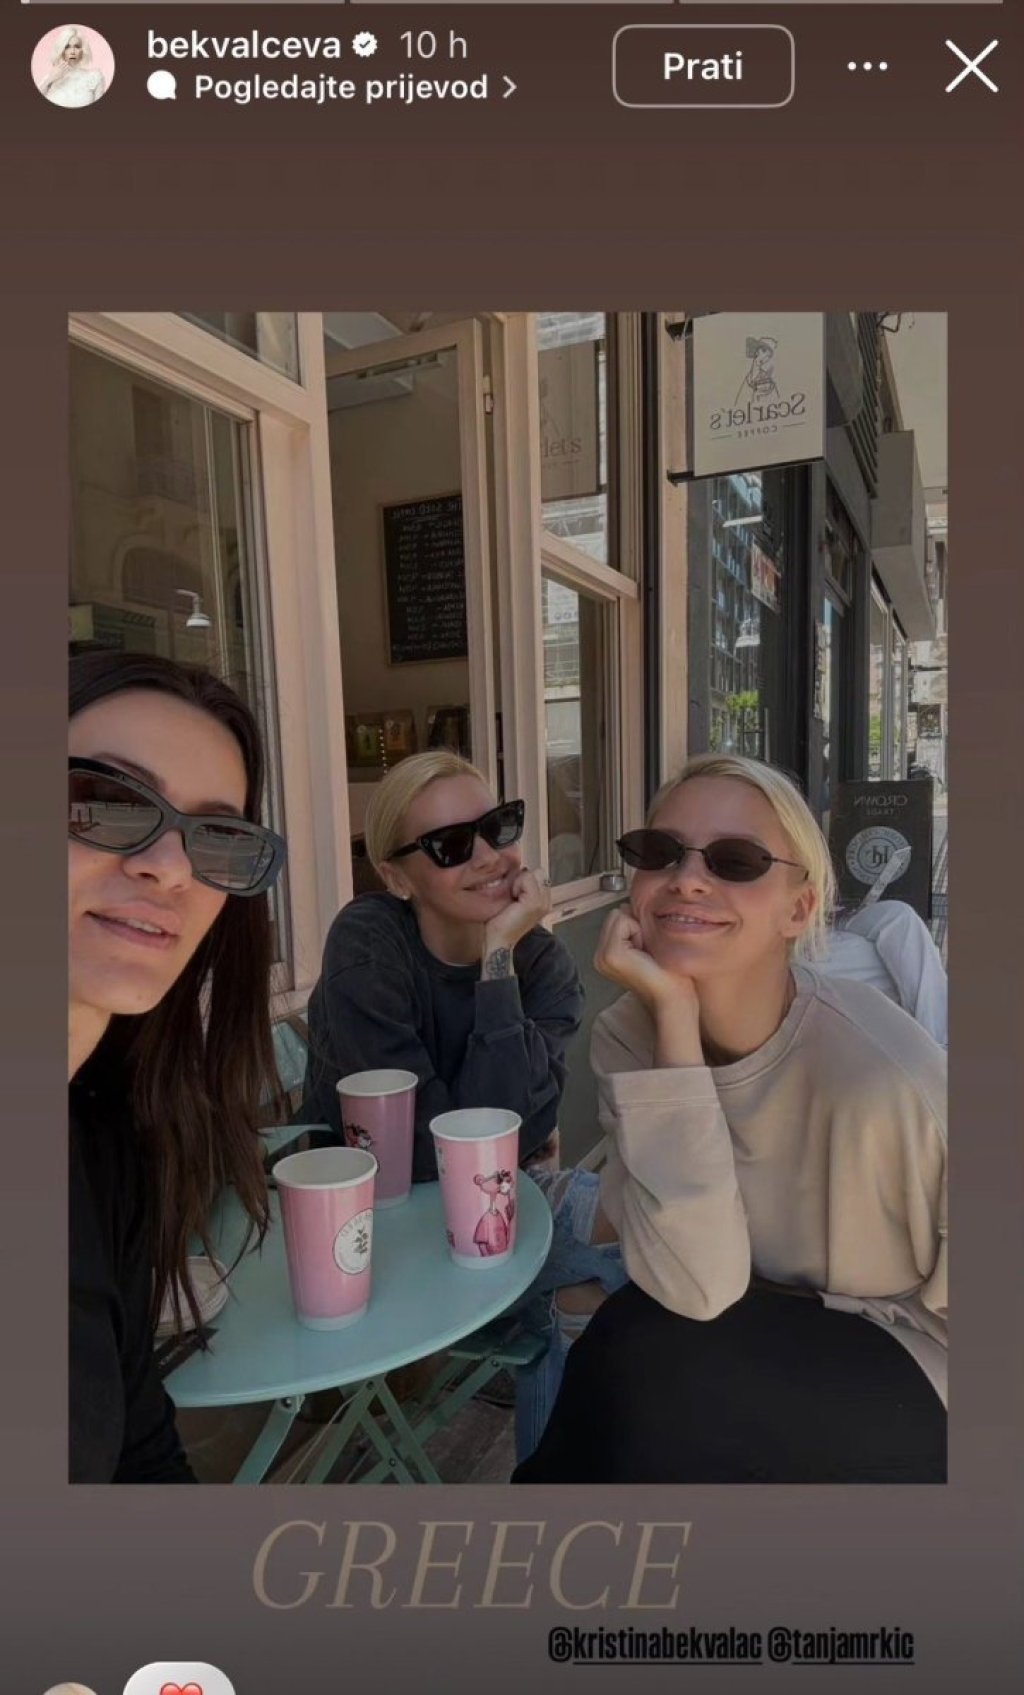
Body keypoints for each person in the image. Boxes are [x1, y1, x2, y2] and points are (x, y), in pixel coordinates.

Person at [514, 753, 946, 1483]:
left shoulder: (881, 1077)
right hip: (765, 1309)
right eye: (660, 852)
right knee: (623, 1340)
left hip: (922, 1353)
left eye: (736, 860)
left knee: (653, 1372)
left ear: (799, 910)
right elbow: (695, 1279)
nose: (687, 878)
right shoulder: (632, 1033)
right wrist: (675, 1020)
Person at [69, 651, 287, 1482]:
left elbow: (140, 1445)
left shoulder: (109, 1140)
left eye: (216, 835)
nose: (169, 866)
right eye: (104, 800)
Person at [303, 749, 584, 1178]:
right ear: (397, 878)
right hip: (362, 1205)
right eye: (451, 845)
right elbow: (411, 1151)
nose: (488, 856)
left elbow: (504, 1142)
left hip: (494, 1202)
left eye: (498, 827)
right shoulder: (368, 943)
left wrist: (498, 953)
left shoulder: (546, 965)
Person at [40, 27, 106, 108]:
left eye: (77, 46)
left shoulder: (94, 77)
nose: (72, 51)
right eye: (67, 47)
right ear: (61, 50)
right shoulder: (50, 77)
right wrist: (50, 78)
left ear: (83, 50)